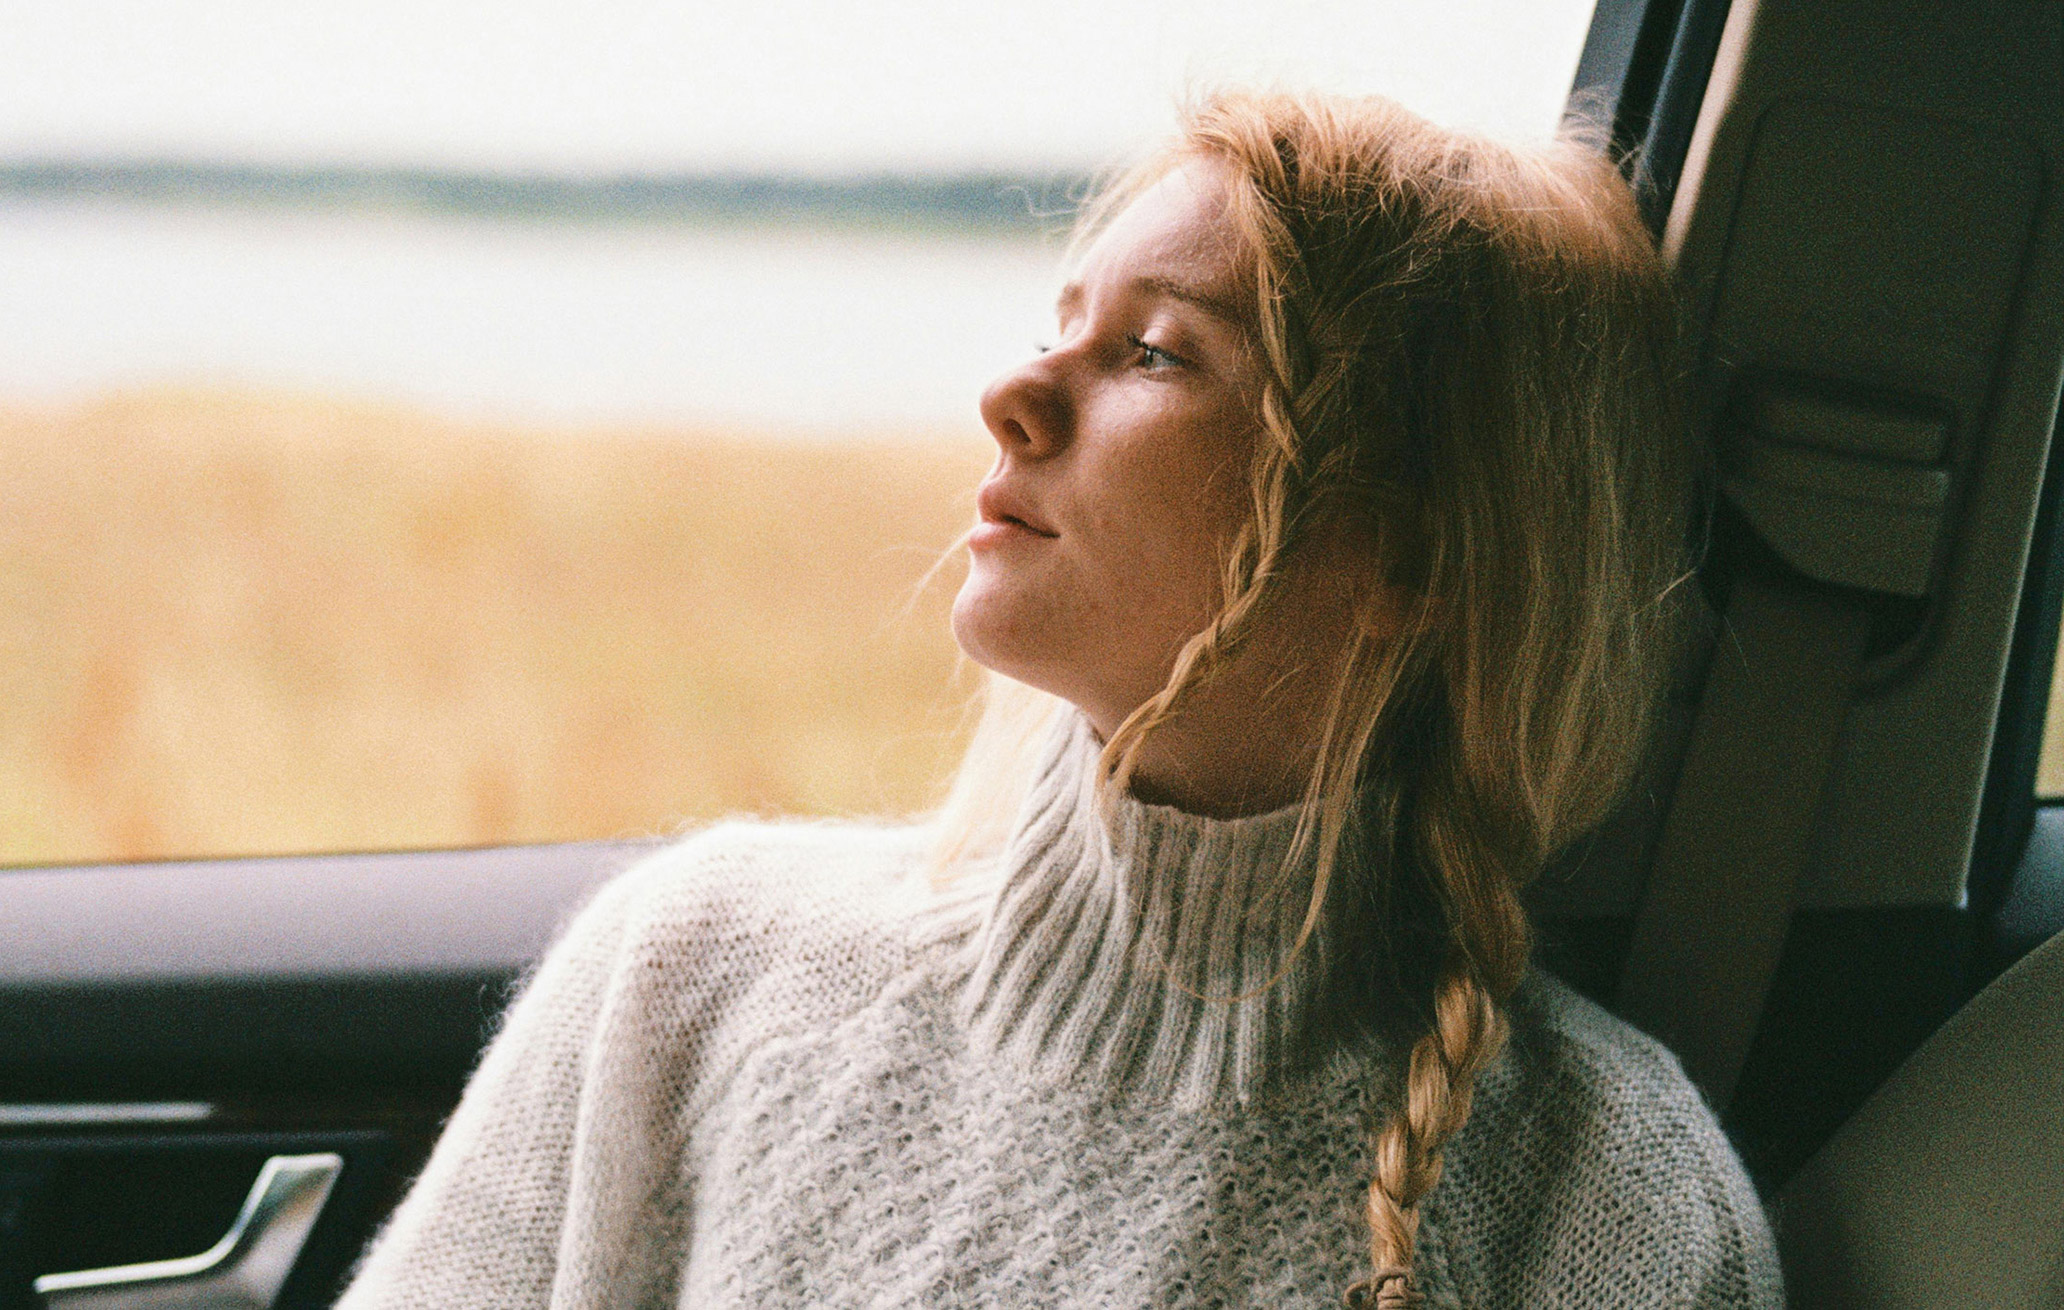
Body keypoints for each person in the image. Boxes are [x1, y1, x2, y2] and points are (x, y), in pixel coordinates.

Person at [339, 89, 1781, 1309]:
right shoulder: (700, 967)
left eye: (1155, 351)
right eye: (1061, 319)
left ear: (1416, 547)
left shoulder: (1611, 1195)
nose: (1014, 396)